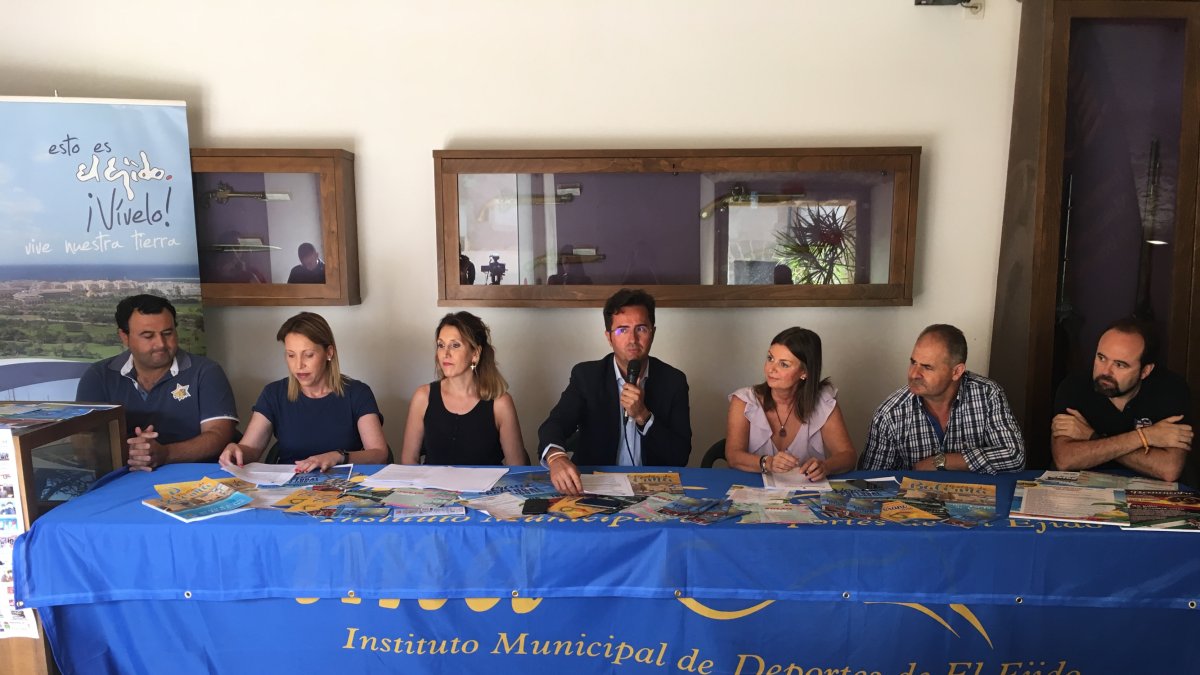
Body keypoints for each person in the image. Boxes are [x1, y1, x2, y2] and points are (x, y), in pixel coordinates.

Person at [538, 288, 692, 495]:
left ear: (653, 333)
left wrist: (643, 416)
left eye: (641, 329)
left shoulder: (673, 381)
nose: (632, 340)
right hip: (596, 489)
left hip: (652, 491)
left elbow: (680, 456)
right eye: (622, 330)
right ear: (609, 337)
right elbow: (554, 424)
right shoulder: (587, 376)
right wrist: (556, 457)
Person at [76, 294, 238, 471]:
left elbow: (219, 435)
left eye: (167, 333)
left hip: (197, 478)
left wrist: (166, 454)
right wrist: (134, 451)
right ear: (124, 336)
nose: (160, 344)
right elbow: (82, 444)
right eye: (148, 336)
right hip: (121, 479)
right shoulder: (99, 376)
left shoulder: (205, 372)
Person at [218, 312, 387, 472]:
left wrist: (338, 456)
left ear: (329, 352)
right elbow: (251, 449)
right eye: (291, 355)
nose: (299, 365)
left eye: (308, 355)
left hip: (344, 489)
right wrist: (236, 450)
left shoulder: (357, 393)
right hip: (288, 489)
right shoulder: (273, 394)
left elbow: (379, 453)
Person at [860, 324, 1025, 474]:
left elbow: (1015, 456)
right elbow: (871, 481)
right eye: (913, 362)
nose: (913, 374)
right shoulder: (889, 414)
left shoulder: (988, 394)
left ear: (956, 372)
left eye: (927, 367)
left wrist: (941, 461)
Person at [1051, 318, 1192, 482]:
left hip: (1149, 493)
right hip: (1082, 490)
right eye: (1101, 358)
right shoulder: (1074, 386)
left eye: (1120, 365)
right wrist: (1145, 437)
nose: (1105, 372)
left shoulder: (1170, 389)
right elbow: (1065, 459)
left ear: (1145, 371)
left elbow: (1168, 469)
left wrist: (1093, 437)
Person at [724, 327, 856, 481]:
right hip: (752, 489)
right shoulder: (743, 400)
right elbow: (733, 456)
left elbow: (848, 456)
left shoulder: (823, 402)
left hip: (806, 494)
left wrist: (826, 466)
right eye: (770, 358)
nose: (771, 369)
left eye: (784, 364)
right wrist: (768, 462)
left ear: (804, 373)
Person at [399, 312, 528, 466]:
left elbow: (517, 469)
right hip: (431, 489)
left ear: (475, 353)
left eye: (455, 345)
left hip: (485, 490)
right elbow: (408, 462)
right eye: (441, 345)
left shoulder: (501, 403)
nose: (445, 354)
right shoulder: (423, 397)